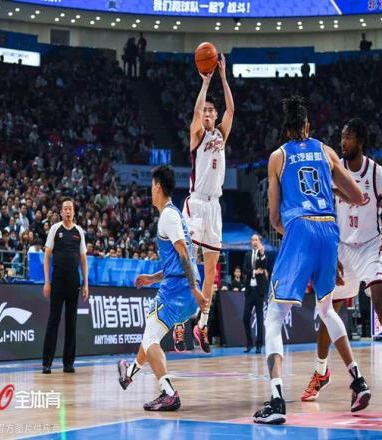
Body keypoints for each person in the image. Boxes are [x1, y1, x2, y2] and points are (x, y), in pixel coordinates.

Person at [253, 97, 369, 425]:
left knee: (273, 316)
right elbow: (358, 196)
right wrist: (331, 192)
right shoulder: (326, 151)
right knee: (327, 309)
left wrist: (295, 231)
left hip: (300, 229)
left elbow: (274, 218)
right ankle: (358, 381)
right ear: (307, 126)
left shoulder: (278, 157)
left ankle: (277, 400)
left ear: (286, 127)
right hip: (329, 231)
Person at [300, 118, 382, 413]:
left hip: (369, 248)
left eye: (349, 137)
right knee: (328, 311)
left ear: (361, 141)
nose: (343, 142)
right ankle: (321, 372)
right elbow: (326, 213)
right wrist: (330, 253)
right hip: (342, 249)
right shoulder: (333, 171)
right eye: (342, 137)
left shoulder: (377, 173)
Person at [118, 166, 206, 411]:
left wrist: (194, 288)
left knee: (150, 339)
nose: (150, 191)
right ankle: (129, 374)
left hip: (178, 290)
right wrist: (152, 278)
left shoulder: (168, 216)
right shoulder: (174, 215)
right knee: (151, 335)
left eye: (151, 186)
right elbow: (177, 260)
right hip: (182, 289)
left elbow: (184, 253)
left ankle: (168, 392)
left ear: (157, 187)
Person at [174, 53, 234, 353]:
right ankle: (179, 323)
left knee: (211, 270)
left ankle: (203, 324)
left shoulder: (221, 134)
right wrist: (206, 83)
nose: (209, 114)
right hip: (195, 205)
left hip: (215, 207)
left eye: (212, 111)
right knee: (188, 265)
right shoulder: (196, 136)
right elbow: (197, 111)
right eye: (206, 111)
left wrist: (222, 76)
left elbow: (232, 109)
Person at [42, 198, 89, 374]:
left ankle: (68, 363)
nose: (68, 211)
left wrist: (86, 283)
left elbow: (83, 259)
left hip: (73, 281)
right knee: (53, 320)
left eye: (70, 209)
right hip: (58, 280)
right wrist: (47, 281)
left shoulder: (79, 231)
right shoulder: (55, 229)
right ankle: (47, 363)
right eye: (65, 209)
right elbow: (47, 256)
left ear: (74, 212)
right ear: (61, 212)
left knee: (71, 322)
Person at [242, 234, 268, 353]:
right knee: (245, 318)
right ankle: (249, 343)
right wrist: (254, 272)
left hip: (259, 291)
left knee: (259, 318)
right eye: (252, 240)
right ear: (250, 242)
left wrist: (262, 254)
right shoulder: (247, 255)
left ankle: (259, 344)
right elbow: (245, 269)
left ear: (259, 241)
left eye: (256, 240)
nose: (254, 242)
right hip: (249, 290)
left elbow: (265, 265)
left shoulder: (262, 254)